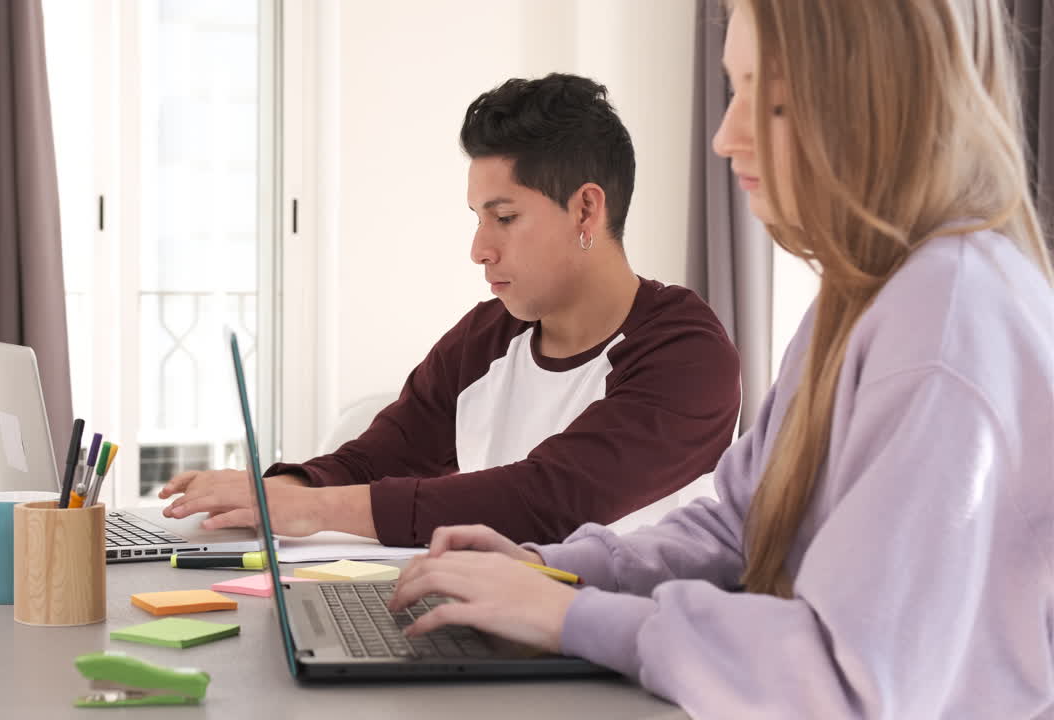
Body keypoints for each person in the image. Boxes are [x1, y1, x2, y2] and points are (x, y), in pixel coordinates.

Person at [387, 1, 1054, 716]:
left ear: (872, 102)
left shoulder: (944, 322)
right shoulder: (867, 296)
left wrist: (566, 618)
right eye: (731, 90)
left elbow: (844, 680)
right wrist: (549, 572)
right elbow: (740, 524)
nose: (723, 137)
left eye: (769, 103)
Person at [159, 73, 741, 546]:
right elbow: (380, 456)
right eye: (477, 218)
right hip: (499, 636)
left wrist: (315, 509)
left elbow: (548, 501)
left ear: (586, 210)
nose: (479, 250)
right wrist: (277, 489)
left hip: (629, 666)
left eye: (505, 217)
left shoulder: (687, 353)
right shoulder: (490, 334)